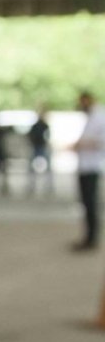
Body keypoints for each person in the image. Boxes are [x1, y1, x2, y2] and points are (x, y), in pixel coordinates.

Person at [71, 91, 105, 251]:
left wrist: (80, 145)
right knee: (86, 204)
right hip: (85, 166)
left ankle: (92, 238)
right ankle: (89, 237)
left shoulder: (99, 117)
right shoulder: (92, 117)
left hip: (92, 166)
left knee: (91, 204)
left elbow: (100, 142)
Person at [26, 106, 54, 198]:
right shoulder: (36, 126)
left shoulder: (44, 125)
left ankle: (48, 186)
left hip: (41, 147)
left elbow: (47, 136)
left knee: (47, 168)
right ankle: (32, 185)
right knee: (33, 168)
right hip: (37, 147)